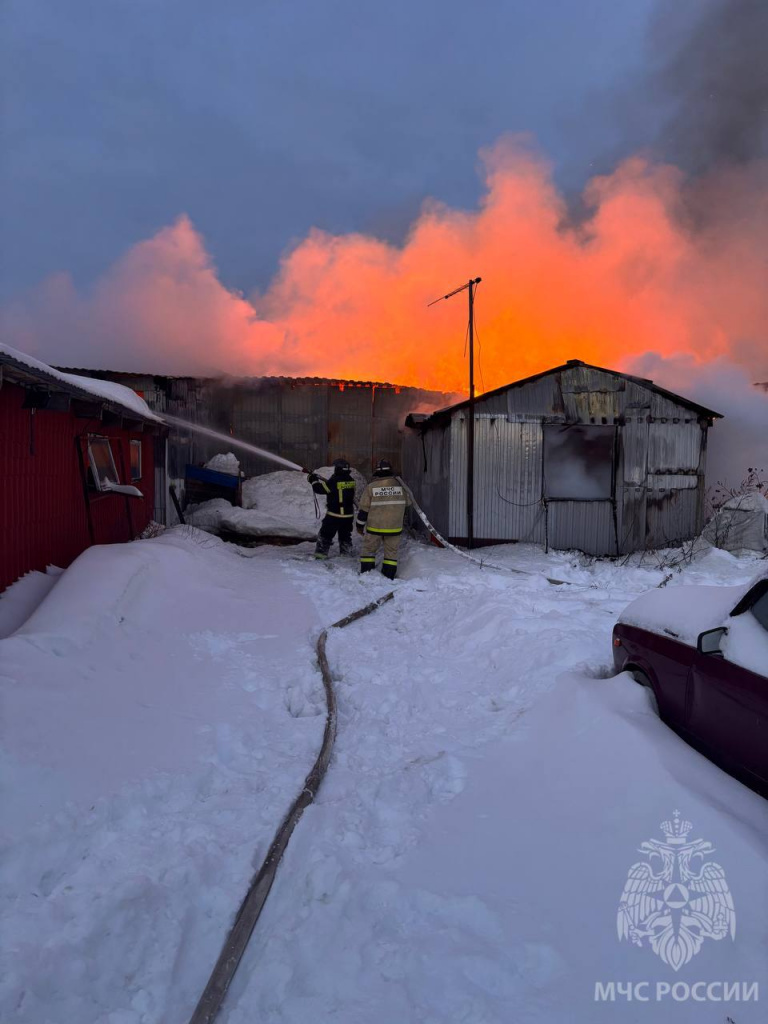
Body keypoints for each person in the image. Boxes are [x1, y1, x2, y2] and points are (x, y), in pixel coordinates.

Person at [356, 459, 411, 579]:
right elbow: (408, 502)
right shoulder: (401, 486)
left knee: (369, 550)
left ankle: (367, 574)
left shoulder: (371, 487)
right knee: (391, 553)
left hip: (374, 527)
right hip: (394, 527)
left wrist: (359, 526)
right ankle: (388, 576)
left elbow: (364, 510)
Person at [308, 458, 356, 558]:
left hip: (334, 515)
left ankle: (320, 555)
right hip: (348, 516)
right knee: (345, 536)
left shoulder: (334, 481)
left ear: (338, 468)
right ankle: (346, 555)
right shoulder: (351, 480)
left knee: (325, 535)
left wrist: (313, 480)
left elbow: (319, 489)